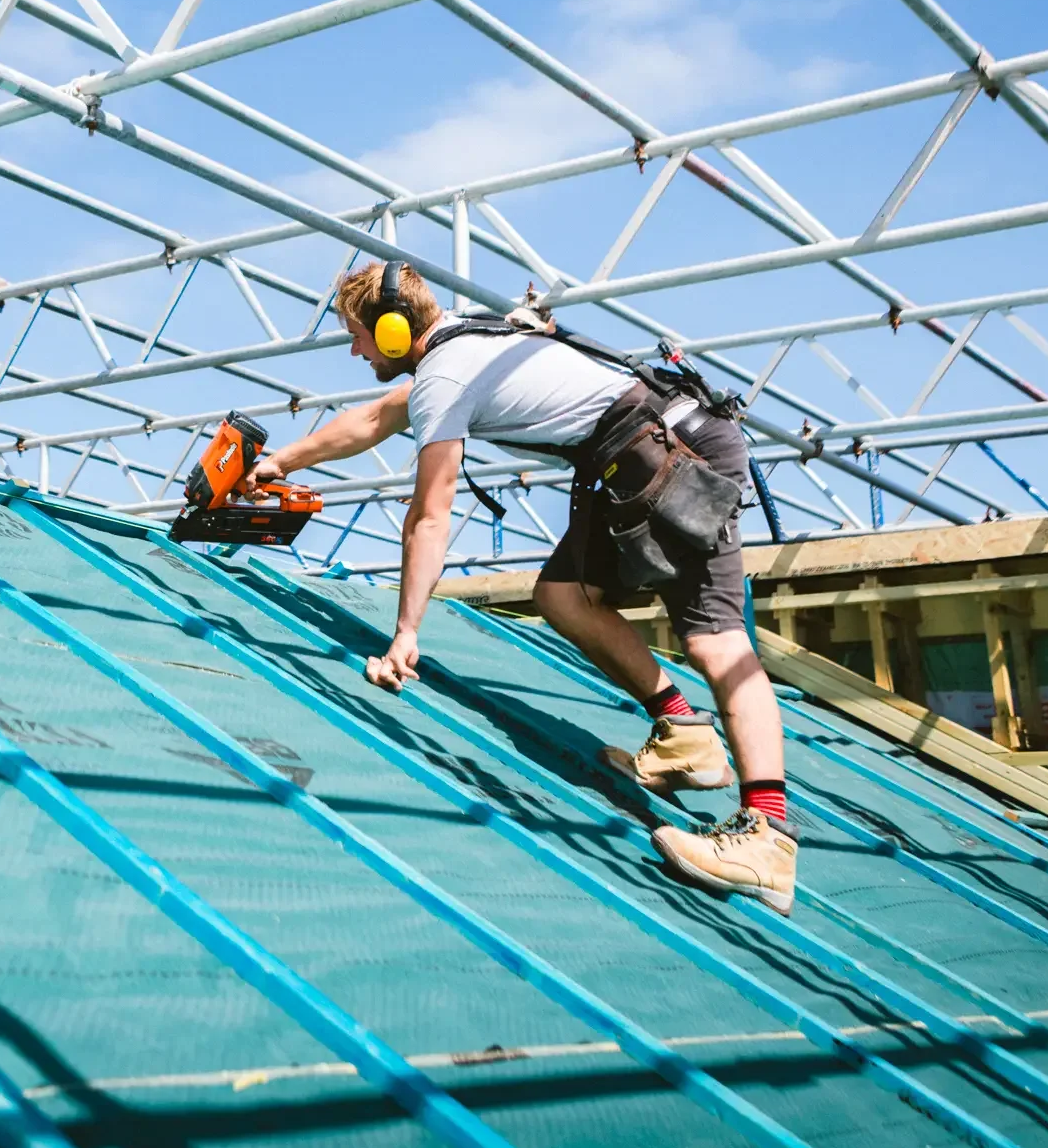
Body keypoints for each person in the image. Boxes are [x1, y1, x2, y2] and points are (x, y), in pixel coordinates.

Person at [247, 261, 797, 913]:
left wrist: (405, 634)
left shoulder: (447, 374)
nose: (354, 348)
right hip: (631, 453)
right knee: (564, 594)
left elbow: (430, 513)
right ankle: (684, 733)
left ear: (394, 332)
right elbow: (371, 420)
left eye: (357, 334)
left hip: (677, 449)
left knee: (714, 639)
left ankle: (768, 835)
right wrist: (281, 460)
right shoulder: (461, 350)